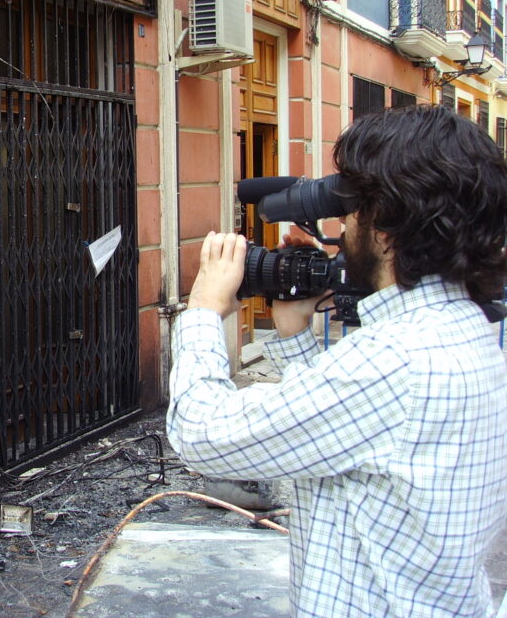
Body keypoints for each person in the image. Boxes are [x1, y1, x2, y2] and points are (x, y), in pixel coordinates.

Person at [166, 106, 507, 617]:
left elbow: (200, 434)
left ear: (387, 228)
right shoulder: (466, 331)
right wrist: (295, 333)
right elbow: (334, 441)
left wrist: (201, 312)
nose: (342, 230)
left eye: (349, 214)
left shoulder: (395, 362)